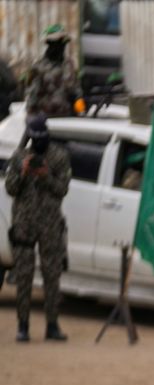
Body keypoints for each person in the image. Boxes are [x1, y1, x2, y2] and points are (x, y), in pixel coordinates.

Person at [6, 115, 71, 342]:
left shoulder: (59, 157)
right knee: (23, 275)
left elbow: (62, 189)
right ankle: (23, 325)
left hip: (50, 224)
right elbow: (11, 189)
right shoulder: (19, 157)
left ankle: (52, 325)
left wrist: (46, 176)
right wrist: (23, 173)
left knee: (52, 275)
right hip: (24, 224)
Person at [25, 25, 81, 118]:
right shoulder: (39, 68)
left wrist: (79, 102)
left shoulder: (69, 65)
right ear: (50, 45)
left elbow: (76, 91)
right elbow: (32, 99)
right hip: (46, 120)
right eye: (58, 44)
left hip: (68, 119)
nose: (61, 48)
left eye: (63, 44)